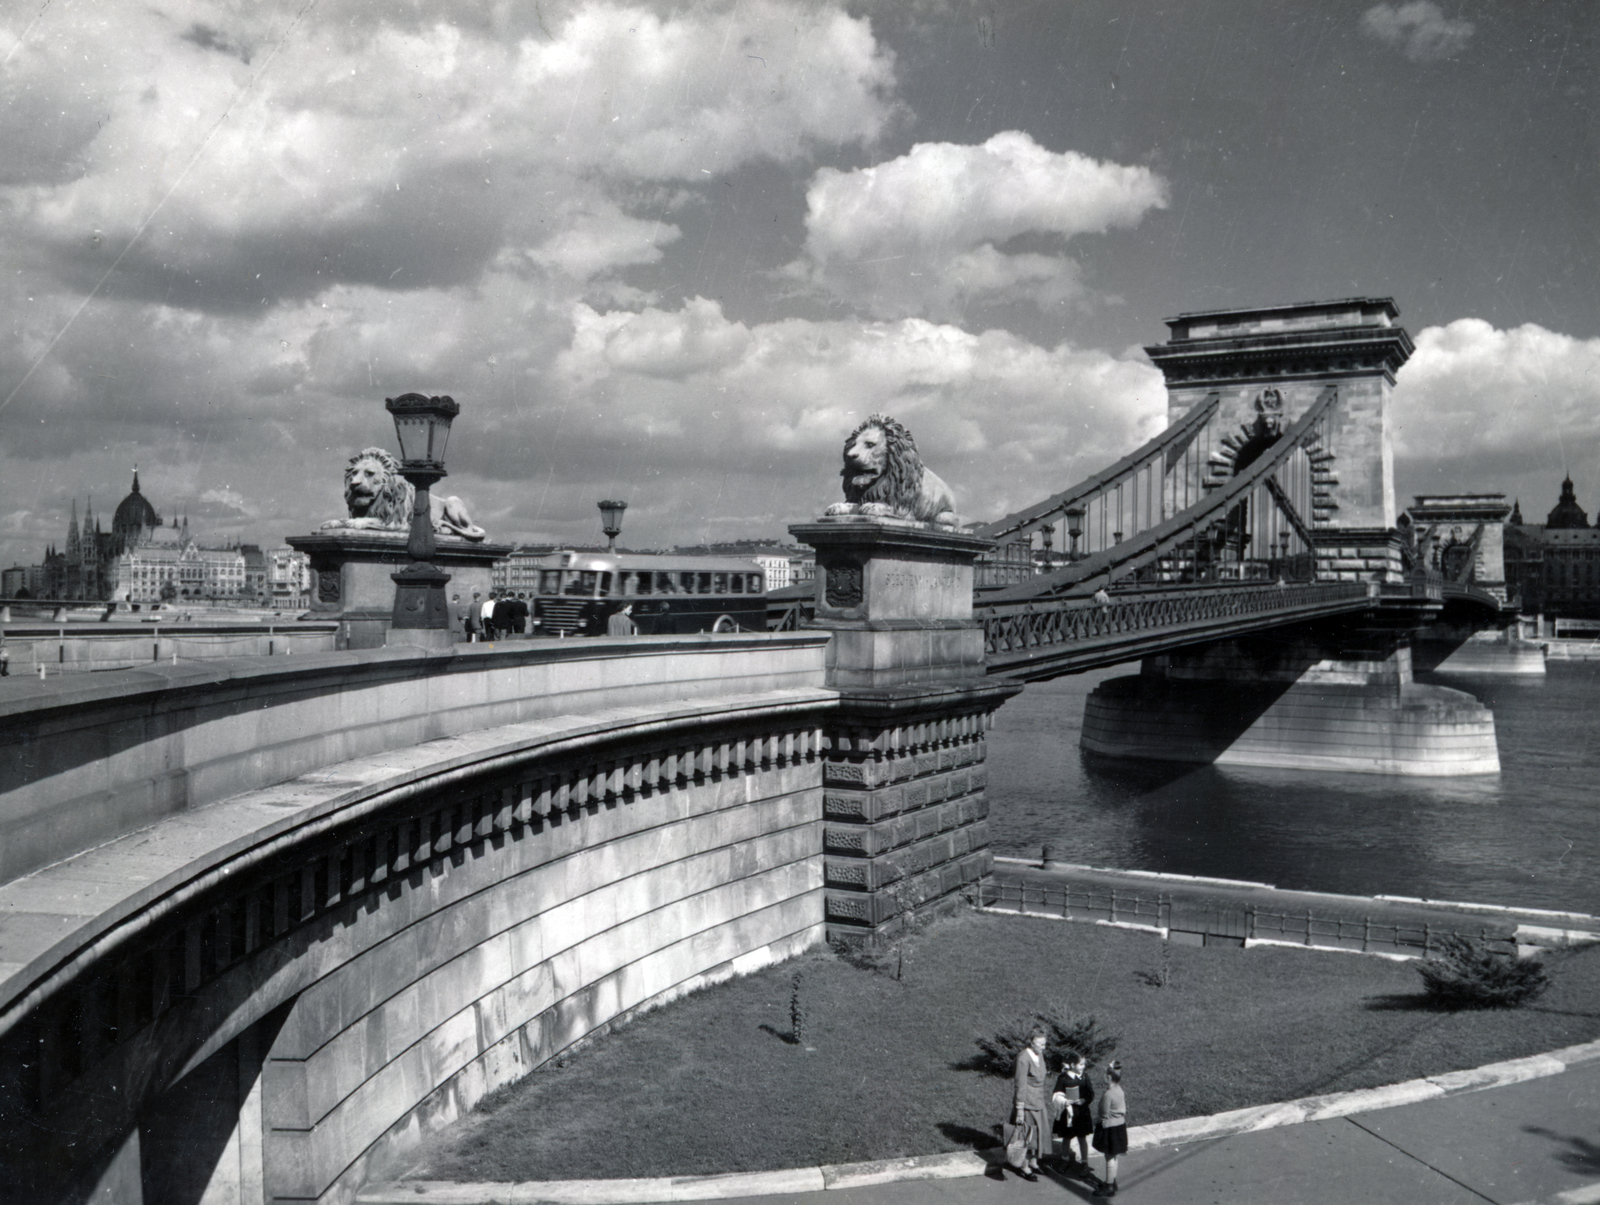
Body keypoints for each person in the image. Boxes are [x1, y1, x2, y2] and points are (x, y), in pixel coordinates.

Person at [1006, 1028, 1049, 1181]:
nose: (1043, 1048)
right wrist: (1019, 1110)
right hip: (1027, 1104)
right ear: (1031, 1043)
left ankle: (1033, 1162)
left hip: (1039, 1101)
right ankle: (1024, 1166)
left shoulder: (1040, 1054)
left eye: (1044, 1044)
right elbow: (1020, 1085)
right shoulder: (1023, 1058)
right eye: (1040, 1044)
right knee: (1027, 1137)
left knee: (1037, 1135)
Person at [1052, 1052, 1095, 1174]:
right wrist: (1065, 1101)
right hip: (1068, 1112)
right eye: (1080, 1064)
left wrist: (1084, 1100)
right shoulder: (1063, 1078)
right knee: (1066, 1137)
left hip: (1081, 1112)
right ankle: (1064, 1159)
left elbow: (1091, 1094)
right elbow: (1056, 1094)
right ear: (1072, 1065)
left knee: (1082, 1138)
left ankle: (1084, 1162)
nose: (1083, 1067)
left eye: (1083, 1064)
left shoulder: (1085, 1077)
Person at [1092, 1059, 1127, 1197]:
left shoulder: (1108, 1094)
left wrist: (1091, 1122)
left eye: (1104, 1075)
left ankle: (1109, 1186)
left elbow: (1103, 1115)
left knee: (1109, 1157)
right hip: (1120, 1127)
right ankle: (1112, 1180)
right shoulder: (1119, 1090)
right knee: (1114, 1156)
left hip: (1110, 1129)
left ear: (1108, 1077)